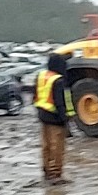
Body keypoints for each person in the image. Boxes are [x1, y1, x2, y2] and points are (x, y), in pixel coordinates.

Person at [34, 54, 74, 183]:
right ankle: (56, 174)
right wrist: (65, 120)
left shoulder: (41, 77)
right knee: (57, 147)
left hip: (42, 116)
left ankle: (46, 171)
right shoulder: (59, 80)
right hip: (56, 119)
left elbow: (35, 95)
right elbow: (60, 102)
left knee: (46, 146)